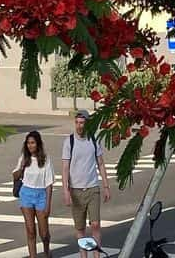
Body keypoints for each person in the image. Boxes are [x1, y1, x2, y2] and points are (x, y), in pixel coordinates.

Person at [61, 109, 110, 255]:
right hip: (76, 190)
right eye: (77, 122)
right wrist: (66, 191)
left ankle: (96, 255)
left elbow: (100, 163)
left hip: (92, 188)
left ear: (87, 124)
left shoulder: (94, 140)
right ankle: (83, 255)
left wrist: (106, 186)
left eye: (82, 123)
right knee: (80, 228)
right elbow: (65, 167)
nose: (79, 126)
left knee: (95, 224)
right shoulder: (69, 142)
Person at [14, 130, 53, 258]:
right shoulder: (24, 158)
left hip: (41, 195)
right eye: (28, 143)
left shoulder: (46, 160)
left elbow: (49, 184)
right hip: (26, 194)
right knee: (30, 231)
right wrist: (22, 167)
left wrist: (47, 205)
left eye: (33, 143)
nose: (30, 146)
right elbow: (15, 175)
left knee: (44, 233)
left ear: (38, 144)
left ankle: (47, 251)